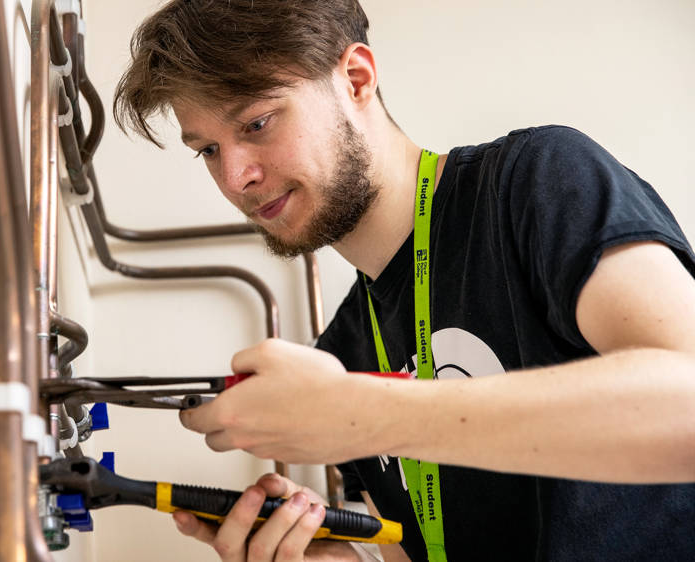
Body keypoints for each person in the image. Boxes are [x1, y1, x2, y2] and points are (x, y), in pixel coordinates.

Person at [113, 1, 695, 560]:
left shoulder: (532, 182)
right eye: (209, 149)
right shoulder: (339, 355)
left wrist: (361, 414)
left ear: (357, 79)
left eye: (257, 123)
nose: (236, 176)